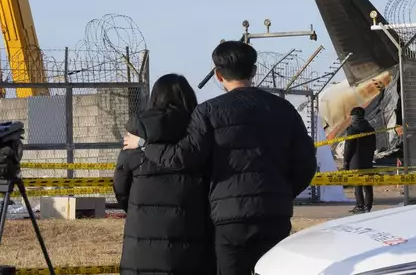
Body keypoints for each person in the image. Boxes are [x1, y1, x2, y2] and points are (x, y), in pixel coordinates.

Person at [123, 41, 317, 275]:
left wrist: (144, 145)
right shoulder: (284, 109)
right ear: (254, 71)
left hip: (229, 217)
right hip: (275, 213)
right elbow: (306, 163)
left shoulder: (208, 112)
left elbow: (183, 157)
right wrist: (283, 191)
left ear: (218, 75)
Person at [113, 73, 215, 275]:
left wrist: (137, 208)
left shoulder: (137, 133)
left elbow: (121, 184)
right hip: (192, 231)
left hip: (142, 234)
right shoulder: (200, 131)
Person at [343, 106, 376, 214]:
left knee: (358, 184)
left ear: (353, 117)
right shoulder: (371, 129)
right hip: (368, 159)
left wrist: (346, 161)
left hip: (355, 161)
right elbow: (373, 145)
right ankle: (368, 206)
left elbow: (348, 147)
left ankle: (359, 206)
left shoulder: (352, 129)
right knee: (367, 184)